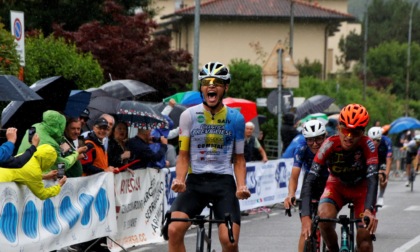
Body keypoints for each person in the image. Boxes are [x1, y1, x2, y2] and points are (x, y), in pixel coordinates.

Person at [168, 61, 250, 252]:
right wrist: (180, 179)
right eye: (207, 81)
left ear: (225, 87)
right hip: (195, 182)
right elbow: (183, 155)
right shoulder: (189, 115)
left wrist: (242, 185)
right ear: (202, 88)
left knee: (230, 241)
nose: (211, 85)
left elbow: (238, 159)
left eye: (217, 82)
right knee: (173, 229)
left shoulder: (236, 118)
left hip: (224, 183)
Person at [300, 104, 378, 252]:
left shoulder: (369, 145)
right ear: (338, 128)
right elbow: (310, 180)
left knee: (365, 243)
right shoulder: (329, 144)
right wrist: (305, 217)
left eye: (355, 132)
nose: (349, 137)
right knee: (323, 218)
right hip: (336, 185)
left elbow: (373, 180)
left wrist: (369, 210)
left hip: (361, 189)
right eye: (345, 130)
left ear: (363, 132)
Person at [283, 119, 329, 252]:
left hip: (327, 182)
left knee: (326, 221)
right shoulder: (301, 148)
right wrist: (291, 194)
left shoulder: (330, 146)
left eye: (318, 140)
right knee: (306, 230)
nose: (314, 144)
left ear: (324, 137)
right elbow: (294, 176)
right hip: (310, 183)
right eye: (310, 140)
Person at [18, 110, 83, 174]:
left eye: (78, 129)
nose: (76, 132)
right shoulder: (53, 143)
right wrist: (76, 154)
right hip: (35, 176)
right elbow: (59, 167)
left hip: (19, 165)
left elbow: (31, 144)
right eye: (73, 128)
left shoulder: (34, 127)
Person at [0, 144, 66, 200]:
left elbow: (23, 175)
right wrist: (59, 185)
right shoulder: (34, 171)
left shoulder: (26, 156)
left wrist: (45, 176)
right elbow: (42, 194)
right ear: (49, 162)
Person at [367, 126, 392, 207]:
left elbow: (389, 160)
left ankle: (381, 196)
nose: (375, 143)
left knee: (382, 176)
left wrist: (386, 175)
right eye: (372, 140)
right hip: (371, 159)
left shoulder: (387, 141)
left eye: (377, 140)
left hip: (382, 160)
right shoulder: (365, 142)